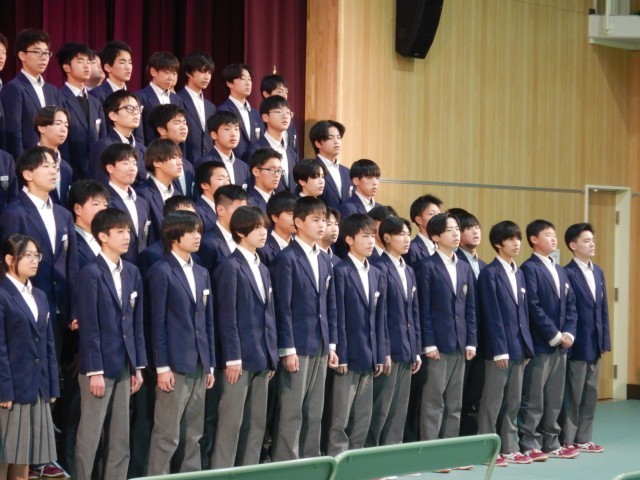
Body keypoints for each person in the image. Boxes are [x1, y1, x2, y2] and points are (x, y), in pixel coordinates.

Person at [74, 208, 146, 480]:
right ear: (103, 236)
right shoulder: (90, 273)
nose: (127, 236)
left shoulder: (132, 272)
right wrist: (94, 371)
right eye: (120, 231)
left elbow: (136, 323)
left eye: (128, 231)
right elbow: (89, 326)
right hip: (99, 366)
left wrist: (138, 366)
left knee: (120, 436)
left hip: (125, 364)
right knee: (91, 434)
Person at [146, 211, 215, 475]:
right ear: (175, 236)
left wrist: (209, 364)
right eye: (191, 231)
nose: (198, 236)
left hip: (199, 363)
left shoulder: (202, 272)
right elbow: (157, 323)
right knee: (167, 433)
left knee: (194, 433)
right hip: (174, 364)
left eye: (199, 231)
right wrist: (162, 366)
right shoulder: (161, 271)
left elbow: (207, 321)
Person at [271, 196, 339, 461]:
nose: (322, 225)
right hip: (297, 344)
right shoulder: (286, 258)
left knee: (314, 409)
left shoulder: (324, 259)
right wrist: (287, 349)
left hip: (320, 342)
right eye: (315, 220)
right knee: (292, 410)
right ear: (298, 223)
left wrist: (331, 344)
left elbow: (330, 304)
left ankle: (311, 463)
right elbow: (283, 306)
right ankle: (287, 465)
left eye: (324, 220)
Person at [211, 206, 278, 468]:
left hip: (261, 356)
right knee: (231, 423)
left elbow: (269, 315)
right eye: (256, 227)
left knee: (256, 424)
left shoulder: (263, 268)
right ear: (240, 231)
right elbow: (227, 316)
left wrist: (271, 355)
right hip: (238, 359)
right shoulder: (230, 266)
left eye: (264, 227)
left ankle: (248, 472)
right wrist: (232, 357)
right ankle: (223, 472)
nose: (263, 232)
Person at [0, 146, 79, 362]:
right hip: (27, 309)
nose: (54, 171)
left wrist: (74, 307)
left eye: (55, 166)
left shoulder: (63, 214)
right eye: (46, 166)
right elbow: (9, 266)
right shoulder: (14, 214)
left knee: (60, 369)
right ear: (27, 174)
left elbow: (71, 264)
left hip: (61, 310)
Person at [0, 234, 60, 480]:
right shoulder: (2, 294)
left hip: (37, 387)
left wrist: (52, 384)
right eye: (28, 256)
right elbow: (1, 347)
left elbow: (48, 343)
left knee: (25, 457)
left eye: (37, 255)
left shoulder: (40, 295)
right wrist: (4, 390)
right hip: (12, 389)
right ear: (9, 259)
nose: (35, 261)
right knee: (4, 457)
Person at [328, 214, 388, 455]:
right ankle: (338, 460)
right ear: (349, 239)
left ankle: (357, 458)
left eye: (373, 236)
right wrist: (341, 354)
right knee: (340, 417)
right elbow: (338, 315)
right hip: (348, 355)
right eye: (365, 236)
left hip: (370, 354)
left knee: (363, 414)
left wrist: (380, 354)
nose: (371, 241)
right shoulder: (340, 271)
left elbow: (380, 318)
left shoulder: (377, 273)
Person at [417, 213, 476, 458]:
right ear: (435, 236)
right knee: (434, 400)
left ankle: (450, 451)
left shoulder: (464, 266)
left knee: (455, 401)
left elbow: (470, 307)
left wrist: (471, 340)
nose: (456, 234)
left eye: (457, 229)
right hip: (438, 345)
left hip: (460, 343)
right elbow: (423, 308)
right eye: (449, 230)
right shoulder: (426, 266)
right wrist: (428, 343)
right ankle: (431, 452)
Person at [519, 219, 579, 461]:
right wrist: (554, 334)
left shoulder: (560, 270)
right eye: (548, 235)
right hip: (541, 343)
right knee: (534, 396)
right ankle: (529, 442)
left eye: (555, 235)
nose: (554, 239)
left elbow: (571, 304)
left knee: (554, 396)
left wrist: (569, 332)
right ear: (534, 239)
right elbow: (532, 307)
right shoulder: (529, 268)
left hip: (561, 346)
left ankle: (551, 441)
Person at [476, 221, 534, 467]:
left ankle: (510, 447)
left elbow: (524, 314)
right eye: (511, 239)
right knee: (492, 401)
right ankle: (486, 449)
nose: (516, 243)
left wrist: (527, 346)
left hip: (519, 347)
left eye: (518, 238)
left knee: (513, 401)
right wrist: (499, 349)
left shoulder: (518, 272)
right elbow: (491, 315)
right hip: (499, 349)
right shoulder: (490, 274)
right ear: (498, 244)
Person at [368, 216, 421, 447]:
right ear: (387, 237)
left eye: (408, 234)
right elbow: (379, 315)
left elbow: (414, 313)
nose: (407, 239)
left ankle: (393, 455)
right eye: (401, 234)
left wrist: (416, 349)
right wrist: (385, 351)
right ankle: (373, 454)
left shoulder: (408, 270)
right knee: (382, 407)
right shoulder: (379, 268)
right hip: (390, 349)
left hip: (408, 348)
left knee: (400, 408)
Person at [561, 223, 610, 453]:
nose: (592, 244)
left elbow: (603, 309)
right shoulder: (567, 273)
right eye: (586, 240)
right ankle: (568, 438)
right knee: (573, 393)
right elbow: (567, 311)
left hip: (595, 342)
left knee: (591, 393)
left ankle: (584, 437)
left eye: (592, 240)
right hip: (576, 343)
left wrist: (605, 340)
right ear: (573, 245)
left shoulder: (597, 271)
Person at [450, 209, 488, 436]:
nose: (475, 232)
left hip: (481, 339)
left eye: (477, 227)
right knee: (457, 395)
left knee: (476, 393)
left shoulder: (484, 265)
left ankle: (472, 438)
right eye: (467, 228)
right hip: (460, 339)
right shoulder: (455, 262)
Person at [0, 29, 61, 159]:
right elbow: (14, 132)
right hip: (28, 161)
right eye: (37, 52)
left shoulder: (53, 91)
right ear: (22, 55)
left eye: (46, 53)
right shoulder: (14, 88)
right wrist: (21, 163)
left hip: (52, 160)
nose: (44, 57)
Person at [57, 42, 107, 180]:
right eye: (80, 61)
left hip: (95, 173)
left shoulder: (95, 102)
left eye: (89, 61)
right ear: (66, 67)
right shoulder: (59, 98)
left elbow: (102, 138)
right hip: (71, 172)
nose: (86, 66)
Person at [102, 143, 152, 264]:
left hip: (142, 266)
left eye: (134, 163)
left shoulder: (142, 202)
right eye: (125, 163)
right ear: (110, 168)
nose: (132, 168)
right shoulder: (104, 201)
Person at [89, 90, 147, 185]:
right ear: (113, 115)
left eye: (137, 109)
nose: (136, 113)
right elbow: (101, 184)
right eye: (129, 108)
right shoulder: (103, 146)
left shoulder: (142, 149)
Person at [135, 139, 184, 241]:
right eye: (174, 157)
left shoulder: (178, 194)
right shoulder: (142, 194)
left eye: (180, 157)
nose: (180, 162)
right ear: (157, 162)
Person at [245, 95, 297, 190]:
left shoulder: (291, 153)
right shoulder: (255, 150)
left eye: (288, 112)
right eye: (278, 111)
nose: (285, 116)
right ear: (265, 117)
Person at [147, 104, 196, 198]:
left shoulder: (188, 166)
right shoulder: (151, 158)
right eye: (177, 123)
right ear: (162, 130)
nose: (183, 127)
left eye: (184, 123)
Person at [135, 52, 183, 145]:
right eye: (167, 72)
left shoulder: (177, 99)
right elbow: (138, 132)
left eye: (174, 73)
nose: (171, 77)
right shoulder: (139, 97)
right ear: (153, 71)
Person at [217, 64, 262, 160]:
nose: (248, 83)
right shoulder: (222, 111)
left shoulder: (255, 114)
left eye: (249, 79)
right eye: (242, 79)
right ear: (229, 83)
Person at [178, 51, 216, 163]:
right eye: (203, 71)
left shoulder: (211, 107)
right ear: (189, 72)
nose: (207, 77)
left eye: (209, 72)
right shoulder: (177, 100)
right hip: (185, 162)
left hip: (208, 164)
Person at [194, 111, 249, 188]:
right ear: (214, 135)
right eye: (227, 129)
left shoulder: (243, 167)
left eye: (236, 129)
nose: (233, 134)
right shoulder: (205, 163)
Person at [34, 106, 74, 207]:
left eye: (66, 125)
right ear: (41, 127)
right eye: (58, 124)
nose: (64, 129)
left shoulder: (66, 168)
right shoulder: (29, 162)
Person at [309, 120, 351, 210]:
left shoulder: (347, 172)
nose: (336, 142)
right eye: (330, 138)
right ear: (318, 143)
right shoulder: (309, 169)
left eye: (339, 137)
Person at [260, 73, 298, 153]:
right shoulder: (259, 119)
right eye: (280, 91)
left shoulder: (288, 121)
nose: (284, 96)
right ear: (266, 94)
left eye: (286, 92)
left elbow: (294, 150)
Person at [259, 191, 297, 268]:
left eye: (298, 214)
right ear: (275, 217)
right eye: (291, 214)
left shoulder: (300, 245)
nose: (296, 219)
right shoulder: (263, 250)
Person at [404, 194, 442, 268]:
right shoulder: (411, 249)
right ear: (419, 220)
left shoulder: (442, 245)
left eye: (439, 213)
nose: (438, 218)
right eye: (432, 214)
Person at [89, 41, 133, 105]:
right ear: (108, 67)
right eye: (122, 62)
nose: (128, 67)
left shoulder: (132, 97)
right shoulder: (96, 95)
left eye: (130, 62)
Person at [194, 160, 230, 233]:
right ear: (204, 185)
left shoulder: (228, 208)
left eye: (228, 179)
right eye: (220, 179)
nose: (226, 183)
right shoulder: (196, 211)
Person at [247, 147, 283, 212]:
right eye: (271, 170)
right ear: (256, 171)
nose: (277, 175)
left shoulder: (282, 201)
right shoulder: (248, 203)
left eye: (279, 170)